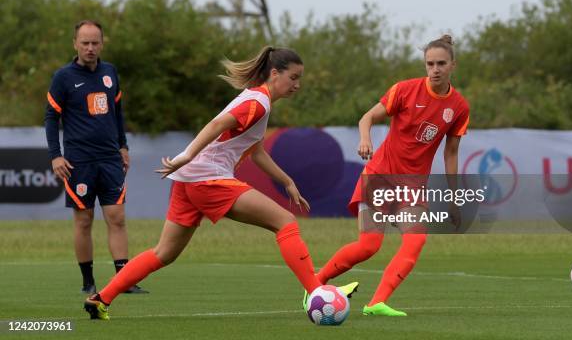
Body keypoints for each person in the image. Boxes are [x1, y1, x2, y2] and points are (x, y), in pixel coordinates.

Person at [83, 46, 358, 320]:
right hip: (208, 178)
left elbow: (257, 151)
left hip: (191, 180)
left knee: (164, 253)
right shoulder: (257, 102)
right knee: (285, 221)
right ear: (275, 73)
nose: (297, 85)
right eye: (294, 77)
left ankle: (101, 298)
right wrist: (187, 154)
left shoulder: (258, 101)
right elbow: (216, 125)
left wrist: (287, 181)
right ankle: (317, 292)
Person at [314, 35, 469, 316]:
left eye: (441, 64)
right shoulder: (405, 90)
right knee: (368, 246)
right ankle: (315, 285)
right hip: (380, 176)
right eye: (429, 63)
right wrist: (365, 139)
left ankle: (376, 303)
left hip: (412, 186)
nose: (434, 69)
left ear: (453, 65)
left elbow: (451, 153)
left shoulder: (459, 107)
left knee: (416, 240)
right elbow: (367, 117)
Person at [45, 20, 147, 295]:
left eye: (95, 43)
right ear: (75, 44)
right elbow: (51, 117)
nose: (90, 48)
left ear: (102, 43)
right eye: (85, 43)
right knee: (84, 219)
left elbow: (118, 112)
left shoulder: (110, 72)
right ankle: (87, 281)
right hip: (79, 161)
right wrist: (56, 156)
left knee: (117, 217)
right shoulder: (63, 77)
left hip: (110, 159)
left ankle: (123, 280)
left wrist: (123, 146)